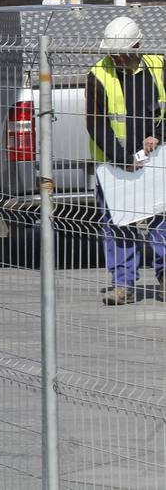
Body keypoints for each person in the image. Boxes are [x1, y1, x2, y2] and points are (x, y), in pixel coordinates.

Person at [86, 15, 166, 305]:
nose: (117, 58)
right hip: (115, 166)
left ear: (137, 47)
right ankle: (123, 284)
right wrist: (122, 159)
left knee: (162, 220)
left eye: (122, 53)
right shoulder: (98, 74)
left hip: (157, 160)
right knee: (118, 224)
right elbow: (96, 124)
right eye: (113, 54)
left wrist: (157, 134)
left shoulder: (159, 67)